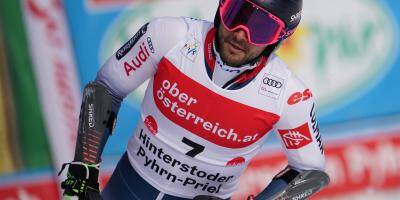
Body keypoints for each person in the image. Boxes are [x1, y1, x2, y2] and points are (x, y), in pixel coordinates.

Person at [59, 0, 330, 199]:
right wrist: (83, 170)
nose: (240, 33)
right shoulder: (168, 36)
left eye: (260, 29)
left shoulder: (289, 95)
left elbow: (309, 172)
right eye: (237, 14)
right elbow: (106, 89)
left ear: (279, 38)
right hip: (128, 188)